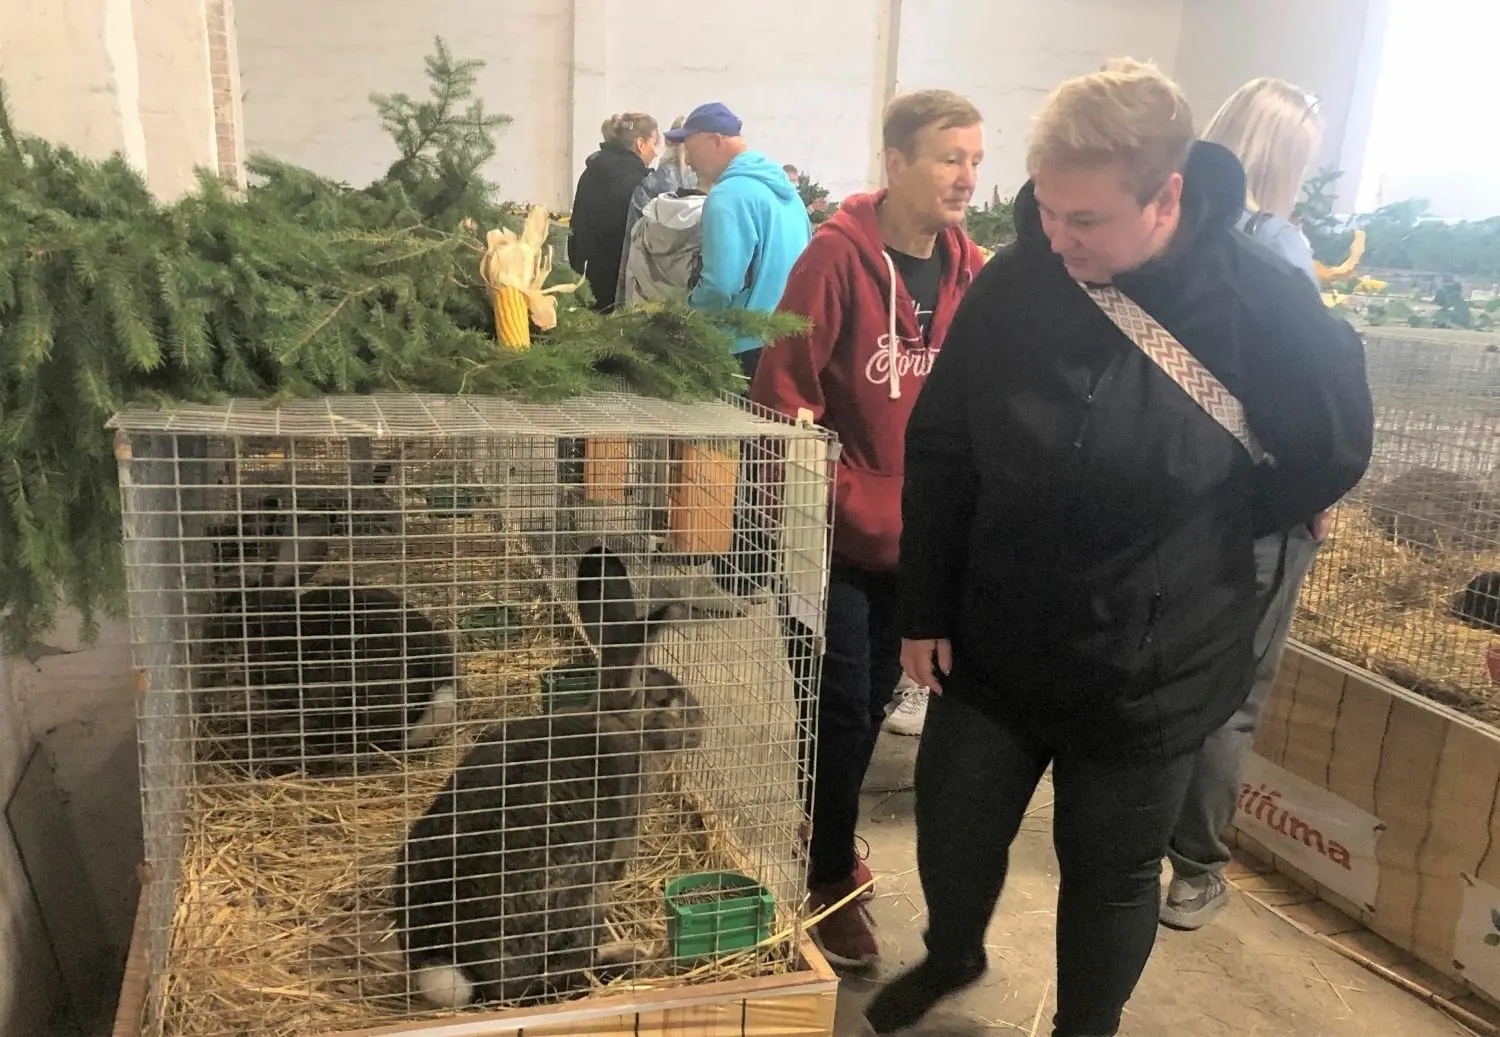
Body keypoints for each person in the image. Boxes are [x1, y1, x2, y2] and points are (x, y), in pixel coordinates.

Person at [863, 59, 1373, 1037]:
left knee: (1111, 869)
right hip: (998, 631)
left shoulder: (1259, 301)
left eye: (1085, 220)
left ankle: (1083, 1026)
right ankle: (954, 949)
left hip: (1158, 654)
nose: (1058, 237)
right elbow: (944, 441)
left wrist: (1230, 511)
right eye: (1046, 210)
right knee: (957, 822)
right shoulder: (1021, 277)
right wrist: (922, 607)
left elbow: (1334, 444)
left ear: (1166, 196)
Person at [750, 88, 986, 967]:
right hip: (835, 542)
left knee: (877, 699)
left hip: (924, 542)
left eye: (974, 159)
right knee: (841, 707)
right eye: (947, 157)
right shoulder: (833, 259)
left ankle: (827, 821)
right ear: (894, 162)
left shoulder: (972, 270)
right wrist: (816, 506)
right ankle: (825, 877)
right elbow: (781, 395)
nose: (965, 176)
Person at [1161, 76, 1329, 932]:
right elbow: (1306, 397)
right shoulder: (1281, 251)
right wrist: (1320, 486)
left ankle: (1130, 823)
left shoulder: (1175, 235)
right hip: (1260, 505)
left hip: (1174, 495)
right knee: (1236, 689)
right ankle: (1195, 865)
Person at [672, 102, 812, 380]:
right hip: (786, 339)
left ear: (716, 141)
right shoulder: (788, 194)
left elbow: (720, 285)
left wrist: (682, 322)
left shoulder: (728, 195)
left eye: (690, 148)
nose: (687, 160)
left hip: (740, 347)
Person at [567, 113, 658, 311]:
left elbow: (576, 224)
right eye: (654, 143)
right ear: (640, 143)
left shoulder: (590, 171)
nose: (656, 152)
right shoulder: (641, 184)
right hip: (619, 289)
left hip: (585, 280)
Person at [613, 116, 701, 308]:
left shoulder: (650, 185)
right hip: (692, 302)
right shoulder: (717, 190)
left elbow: (631, 247)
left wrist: (621, 305)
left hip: (649, 298)